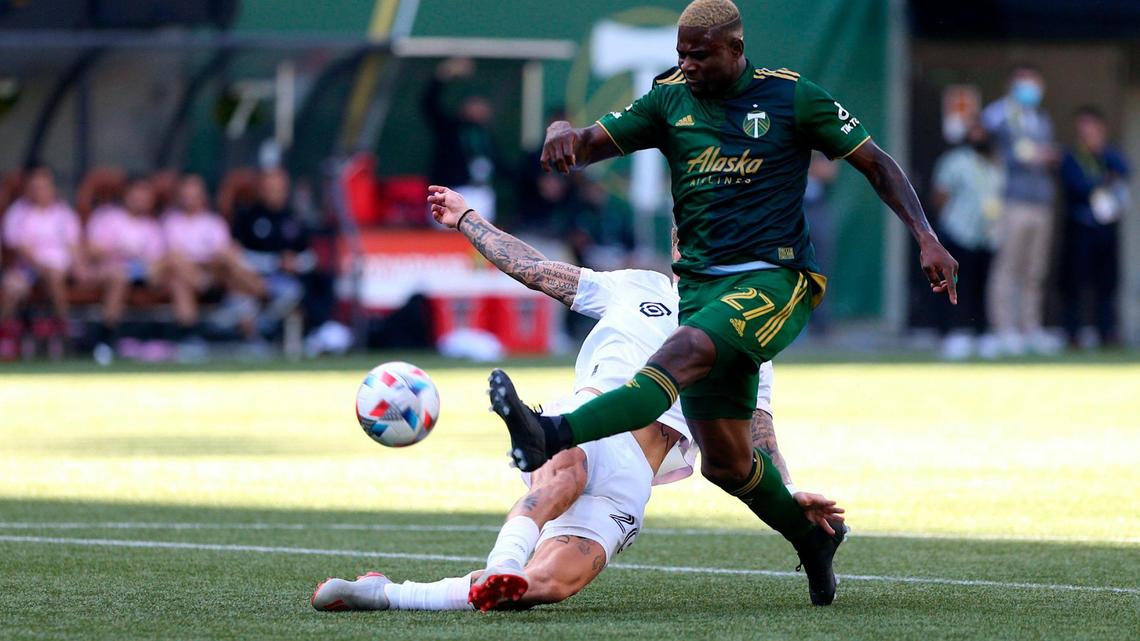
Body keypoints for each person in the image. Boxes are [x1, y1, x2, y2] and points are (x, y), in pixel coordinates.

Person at [479, 0, 957, 607]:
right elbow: (588, 144)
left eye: (699, 54)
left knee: (678, 352)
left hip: (777, 280)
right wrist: (559, 136)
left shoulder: (792, 97)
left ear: (735, 48)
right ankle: (814, 542)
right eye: (680, 53)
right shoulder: (667, 99)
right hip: (702, 288)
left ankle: (550, 432)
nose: (686, 64)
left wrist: (927, 238)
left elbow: (876, 163)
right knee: (727, 465)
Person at [311, 187, 844, 612]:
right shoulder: (636, 286)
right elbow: (537, 271)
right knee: (567, 466)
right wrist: (468, 219)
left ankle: (386, 593)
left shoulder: (746, 329)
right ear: (679, 242)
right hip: (585, 428)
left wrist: (791, 490)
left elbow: (758, 432)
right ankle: (508, 537)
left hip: (635, 478)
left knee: (541, 587)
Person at [982, 64, 1061, 356]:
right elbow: (988, 137)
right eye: (1027, 85)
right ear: (1014, 85)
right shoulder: (999, 114)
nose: (1032, 92)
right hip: (1011, 201)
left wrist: (1043, 156)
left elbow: (1042, 153)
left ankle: (1030, 327)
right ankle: (1004, 328)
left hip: (1040, 202)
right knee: (1008, 266)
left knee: (1034, 269)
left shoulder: (1040, 118)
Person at [85, 177, 196, 362]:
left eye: (146, 196)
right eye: (137, 194)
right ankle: (106, 338)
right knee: (120, 275)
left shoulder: (152, 226)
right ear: (126, 195)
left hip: (146, 273)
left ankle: (189, 338)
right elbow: (91, 250)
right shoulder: (107, 217)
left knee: (175, 271)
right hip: (112, 271)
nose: (141, 200)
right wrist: (119, 249)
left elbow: (157, 260)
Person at [162, 174, 264, 349]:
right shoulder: (171, 222)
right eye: (186, 195)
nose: (190, 199)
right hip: (185, 275)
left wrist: (208, 262)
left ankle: (251, 334)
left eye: (194, 195)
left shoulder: (214, 222)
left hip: (215, 273)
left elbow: (222, 254)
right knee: (178, 275)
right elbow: (174, 255)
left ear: (203, 196)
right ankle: (190, 337)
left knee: (228, 260)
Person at [931, 122, 1005, 360]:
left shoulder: (994, 164)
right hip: (958, 232)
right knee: (952, 285)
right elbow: (940, 193)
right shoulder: (955, 161)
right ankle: (951, 333)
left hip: (986, 235)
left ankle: (981, 333)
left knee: (981, 287)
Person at [1059, 106, 1130, 349]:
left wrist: (1104, 160)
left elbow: (1124, 170)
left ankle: (1107, 332)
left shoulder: (1109, 155)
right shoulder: (1072, 157)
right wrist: (1102, 181)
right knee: (1074, 283)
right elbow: (1080, 186)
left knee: (1106, 283)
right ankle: (1073, 333)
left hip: (1105, 230)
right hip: (1080, 228)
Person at [0, 166, 83, 360]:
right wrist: (40, 266)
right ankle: (6, 337)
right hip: (27, 269)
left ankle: (63, 331)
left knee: (54, 276)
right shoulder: (18, 212)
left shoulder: (63, 214)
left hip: (60, 269)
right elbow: (18, 245)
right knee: (12, 287)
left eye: (44, 186)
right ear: (28, 188)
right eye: (35, 187)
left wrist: (78, 267)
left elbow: (73, 246)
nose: (40, 191)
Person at [230, 168, 309, 339]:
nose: (274, 192)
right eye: (269, 188)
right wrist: (275, 262)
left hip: (282, 280)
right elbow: (239, 253)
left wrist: (295, 263)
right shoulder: (248, 216)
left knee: (293, 292)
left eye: (278, 188)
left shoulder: (294, 218)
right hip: (249, 276)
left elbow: (309, 256)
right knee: (238, 295)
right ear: (261, 188)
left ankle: (263, 330)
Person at [422, 58, 501, 221]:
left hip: (481, 194)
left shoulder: (485, 135)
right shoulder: (450, 128)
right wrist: (443, 75)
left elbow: (500, 164)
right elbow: (428, 103)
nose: (480, 109)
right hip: (452, 192)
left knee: (480, 240)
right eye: (475, 104)